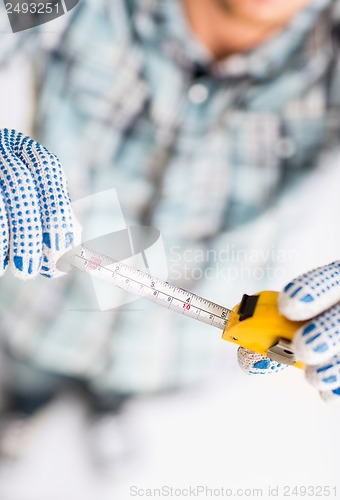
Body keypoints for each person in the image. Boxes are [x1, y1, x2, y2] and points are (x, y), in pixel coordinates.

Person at [0, 0, 340, 462]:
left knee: (122, 391)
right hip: (40, 306)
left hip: (171, 351)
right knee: (28, 379)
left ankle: (109, 408)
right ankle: (22, 412)